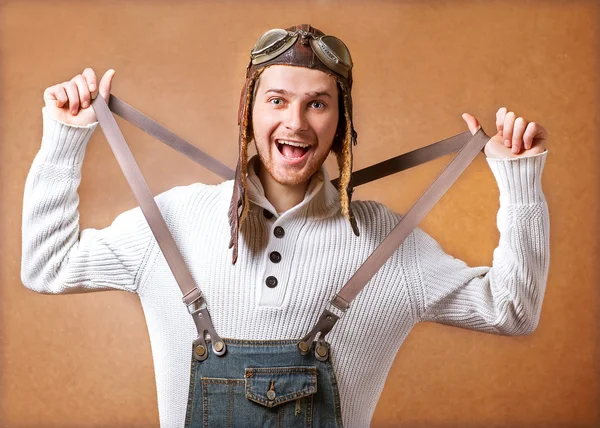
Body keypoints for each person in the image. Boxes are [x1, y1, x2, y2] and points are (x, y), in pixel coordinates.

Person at [21, 25, 549, 428]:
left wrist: (519, 177)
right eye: (277, 100)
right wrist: (65, 137)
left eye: (317, 104)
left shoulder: (389, 245)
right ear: (249, 110)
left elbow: (513, 310)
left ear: (340, 121)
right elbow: (48, 266)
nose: (296, 122)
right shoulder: (174, 219)